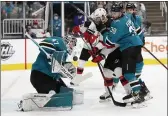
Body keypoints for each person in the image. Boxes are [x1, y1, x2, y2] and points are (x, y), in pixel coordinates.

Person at [18, 35, 84, 111]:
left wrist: (67, 71)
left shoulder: (63, 53)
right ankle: (27, 101)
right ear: (68, 40)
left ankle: (45, 95)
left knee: (65, 93)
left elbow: (56, 70)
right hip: (40, 75)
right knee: (53, 95)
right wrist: (51, 52)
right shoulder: (59, 41)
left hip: (51, 78)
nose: (72, 46)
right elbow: (43, 44)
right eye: (72, 43)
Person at [101, 3, 146, 106]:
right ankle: (141, 91)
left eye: (115, 12)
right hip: (136, 45)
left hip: (129, 48)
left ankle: (138, 95)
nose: (113, 14)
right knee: (132, 73)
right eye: (112, 12)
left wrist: (104, 31)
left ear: (121, 12)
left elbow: (109, 42)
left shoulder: (117, 24)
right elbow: (136, 29)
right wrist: (110, 22)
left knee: (128, 74)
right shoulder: (126, 17)